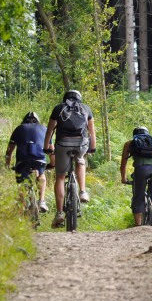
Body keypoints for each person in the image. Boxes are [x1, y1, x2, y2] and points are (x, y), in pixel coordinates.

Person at [43, 89, 96, 228]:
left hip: (62, 143)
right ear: (80, 98)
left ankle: (60, 213)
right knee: (81, 161)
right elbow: (91, 132)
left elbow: (50, 130)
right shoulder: (86, 108)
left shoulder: (58, 108)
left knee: (60, 177)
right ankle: (83, 191)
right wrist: (93, 148)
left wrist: (46, 146)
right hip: (81, 143)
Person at [120, 126, 152, 226]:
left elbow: (123, 162)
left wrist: (124, 178)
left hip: (141, 170)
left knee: (138, 196)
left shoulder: (129, 143)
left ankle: (138, 225)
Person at [6, 111, 50, 213]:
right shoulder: (44, 129)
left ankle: (21, 205)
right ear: (37, 121)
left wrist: (7, 164)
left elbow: (9, 150)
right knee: (42, 175)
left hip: (23, 161)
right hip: (39, 159)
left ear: (24, 121)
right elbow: (51, 150)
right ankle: (42, 201)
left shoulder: (19, 128)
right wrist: (52, 164)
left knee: (21, 182)